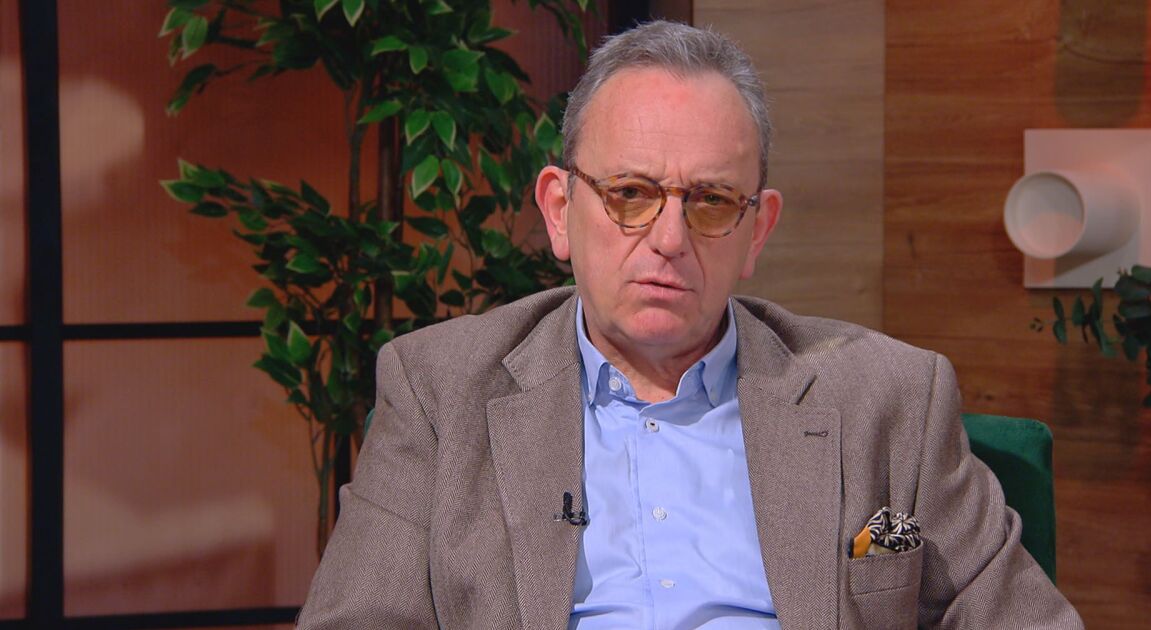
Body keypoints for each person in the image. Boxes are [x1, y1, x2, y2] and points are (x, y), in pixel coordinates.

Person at [297, 20, 1084, 629]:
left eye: (709, 202)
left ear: (757, 231)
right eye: (631, 194)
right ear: (560, 210)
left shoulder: (891, 398)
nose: (669, 239)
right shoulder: (439, 391)